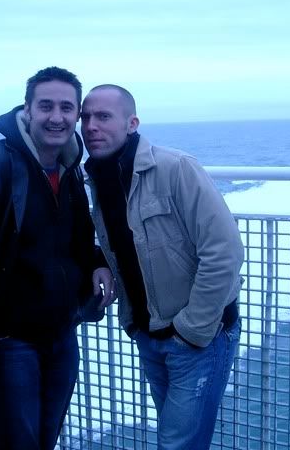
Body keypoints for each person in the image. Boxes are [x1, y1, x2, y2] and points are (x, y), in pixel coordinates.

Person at [0, 67, 114, 450]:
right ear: (27, 109)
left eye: (67, 108)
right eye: (46, 106)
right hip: (7, 345)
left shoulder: (69, 170)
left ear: (76, 114)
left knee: (44, 441)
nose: (56, 117)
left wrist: (99, 261)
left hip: (61, 337)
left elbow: (75, 240)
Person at [81, 84, 244, 449]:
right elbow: (122, 241)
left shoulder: (176, 168)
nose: (91, 126)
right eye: (86, 117)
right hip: (149, 333)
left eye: (104, 116)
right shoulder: (99, 178)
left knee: (177, 444)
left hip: (197, 337)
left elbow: (225, 251)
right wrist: (99, 261)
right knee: (176, 439)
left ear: (132, 123)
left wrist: (190, 330)